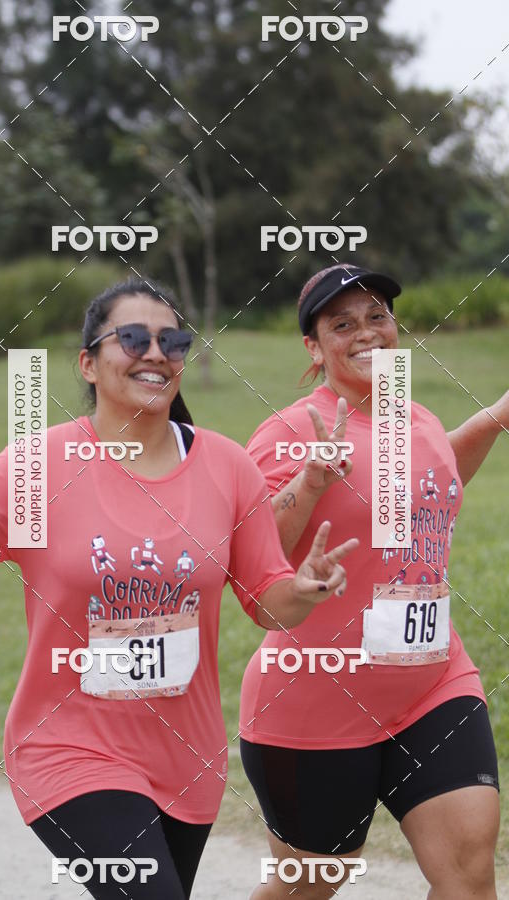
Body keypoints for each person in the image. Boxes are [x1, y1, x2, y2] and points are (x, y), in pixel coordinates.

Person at [0, 278, 358, 900]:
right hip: (68, 750)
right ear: (89, 363)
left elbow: (266, 600)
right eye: (132, 338)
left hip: (186, 759)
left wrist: (305, 588)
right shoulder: (35, 469)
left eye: (171, 340)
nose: (155, 353)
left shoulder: (226, 467)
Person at [239, 263, 508, 900]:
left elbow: (435, 478)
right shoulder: (293, 431)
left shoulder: (412, 418)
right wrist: (310, 483)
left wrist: (498, 416)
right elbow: (248, 557)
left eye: (377, 317)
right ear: (314, 345)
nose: (366, 333)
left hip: (434, 684)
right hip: (316, 701)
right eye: (342, 324)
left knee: (469, 881)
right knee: (308, 887)